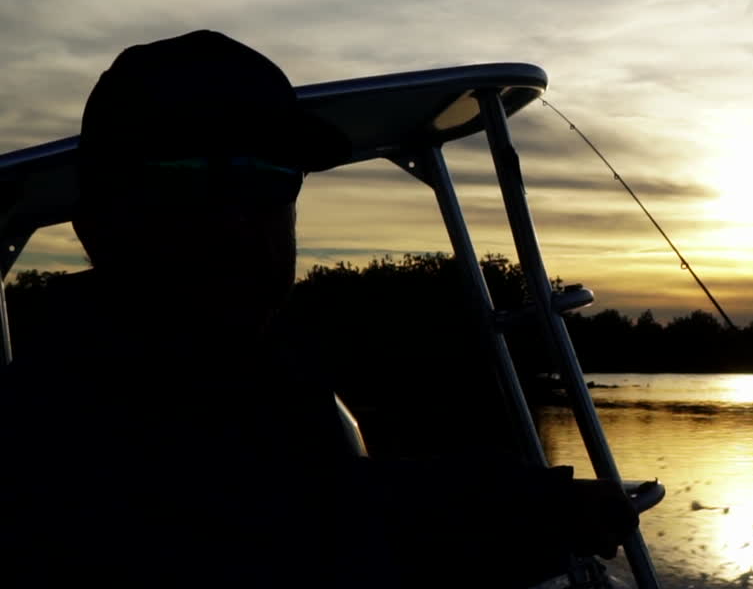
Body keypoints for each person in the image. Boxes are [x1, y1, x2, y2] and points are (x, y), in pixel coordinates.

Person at [0, 30, 637, 587]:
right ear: (96, 223)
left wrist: (534, 499)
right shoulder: (48, 446)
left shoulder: (263, 380)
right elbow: (273, 532)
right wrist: (514, 520)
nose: (237, 220)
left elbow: (323, 493)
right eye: (185, 178)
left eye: (269, 177)